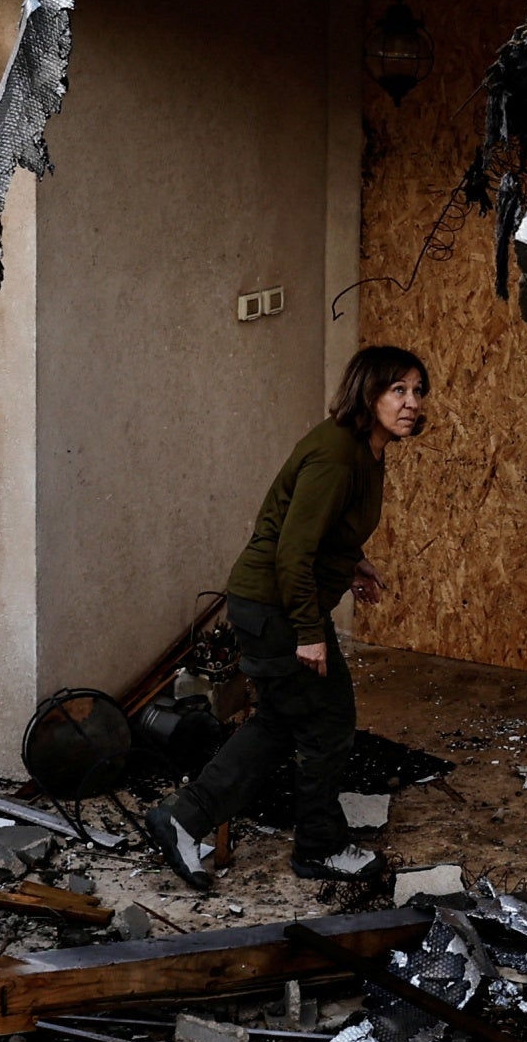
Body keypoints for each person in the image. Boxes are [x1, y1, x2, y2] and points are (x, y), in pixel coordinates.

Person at [143, 346, 430, 890]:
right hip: (276, 608)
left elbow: (322, 533)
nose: (411, 402)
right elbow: (291, 553)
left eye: (417, 391)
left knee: (281, 722)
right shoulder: (336, 456)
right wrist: (307, 634)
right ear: (368, 394)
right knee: (326, 724)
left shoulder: (368, 450)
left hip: (278, 604)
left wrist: (351, 562)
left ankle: (185, 816)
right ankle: (318, 848)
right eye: (399, 390)